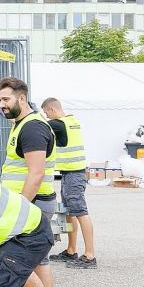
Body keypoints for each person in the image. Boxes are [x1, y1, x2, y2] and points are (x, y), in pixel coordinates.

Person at [0, 77, 73, 287]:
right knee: (40, 262)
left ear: (21, 98)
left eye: (6, 99)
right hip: (33, 204)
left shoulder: (32, 128)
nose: (1, 105)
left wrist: (19, 208)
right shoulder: (22, 125)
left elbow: (36, 173)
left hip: (32, 205)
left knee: (18, 261)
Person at [42, 98, 97, 269]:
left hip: (74, 175)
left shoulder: (59, 124)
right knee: (70, 212)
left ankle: (89, 255)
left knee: (80, 212)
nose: (46, 115)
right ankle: (71, 250)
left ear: (52, 110)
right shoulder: (71, 120)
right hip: (71, 174)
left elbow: (39, 124)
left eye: (46, 112)